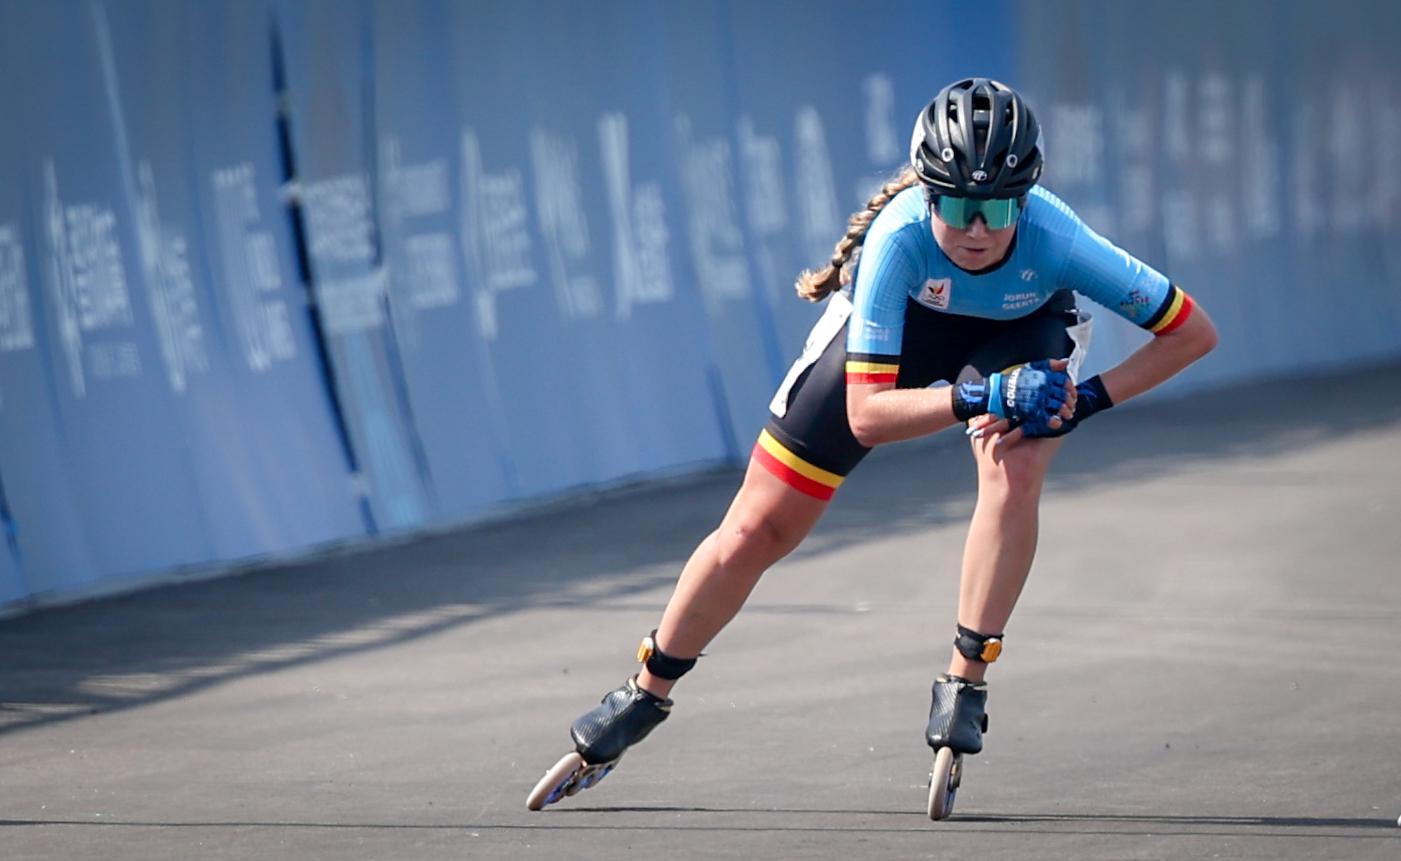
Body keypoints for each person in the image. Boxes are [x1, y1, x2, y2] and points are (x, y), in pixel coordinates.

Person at [526, 77, 1218, 814]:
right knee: (757, 526)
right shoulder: (897, 240)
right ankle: (646, 689)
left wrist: (1084, 401)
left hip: (1024, 325)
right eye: (955, 206)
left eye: (995, 208)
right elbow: (866, 417)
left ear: (1025, 198)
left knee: (1013, 463)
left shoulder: (1061, 241)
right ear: (925, 195)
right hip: (901, 335)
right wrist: (976, 395)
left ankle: (964, 680)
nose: (976, 228)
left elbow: (1191, 333)